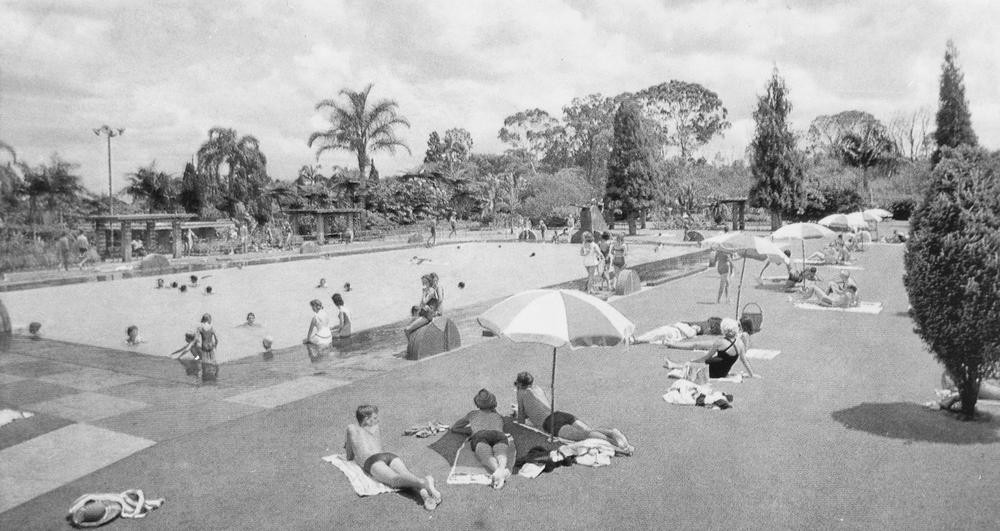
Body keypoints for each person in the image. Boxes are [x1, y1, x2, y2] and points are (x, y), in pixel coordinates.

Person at [344, 405, 442, 511]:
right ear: (367, 419)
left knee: (395, 480)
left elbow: (349, 456)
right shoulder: (375, 428)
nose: (378, 420)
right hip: (389, 456)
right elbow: (377, 447)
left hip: (372, 461)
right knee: (407, 477)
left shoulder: (351, 428)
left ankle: (423, 482)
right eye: (375, 418)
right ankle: (425, 491)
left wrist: (349, 445)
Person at [513, 371, 633, 454]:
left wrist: (517, 413)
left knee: (584, 437)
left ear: (519, 384)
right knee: (588, 431)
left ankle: (617, 446)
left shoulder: (521, 393)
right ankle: (611, 432)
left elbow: (521, 420)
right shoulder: (537, 389)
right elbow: (540, 407)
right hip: (559, 414)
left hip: (551, 424)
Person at [450, 389, 512, 489]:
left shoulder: (472, 414)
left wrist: (470, 431)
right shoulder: (497, 415)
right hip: (499, 435)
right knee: (500, 453)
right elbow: (504, 423)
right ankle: (501, 470)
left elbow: (455, 427)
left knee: (485, 454)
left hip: (480, 435)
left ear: (477, 403)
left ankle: (498, 472)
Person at [662, 317, 759, 379]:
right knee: (696, 347)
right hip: (723, 371)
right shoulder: (739, 343)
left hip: (714, 369)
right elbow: (744, 360)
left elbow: (706, 358)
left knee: (695, 350)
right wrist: (752, 374)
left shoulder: (724, 341)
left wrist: (693, 361)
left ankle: (674, 359)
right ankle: (674, 361)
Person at [794, 284, 859, 308]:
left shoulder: (847, 294)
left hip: (828, 300)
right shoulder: (850, 295)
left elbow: (836, 303)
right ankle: (802, 295)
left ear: (850, 289)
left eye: (847, 288)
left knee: (813, 287)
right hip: (830, 300)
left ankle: (802, 295)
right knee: (813, 291)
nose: (845, 288)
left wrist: (824, 304)